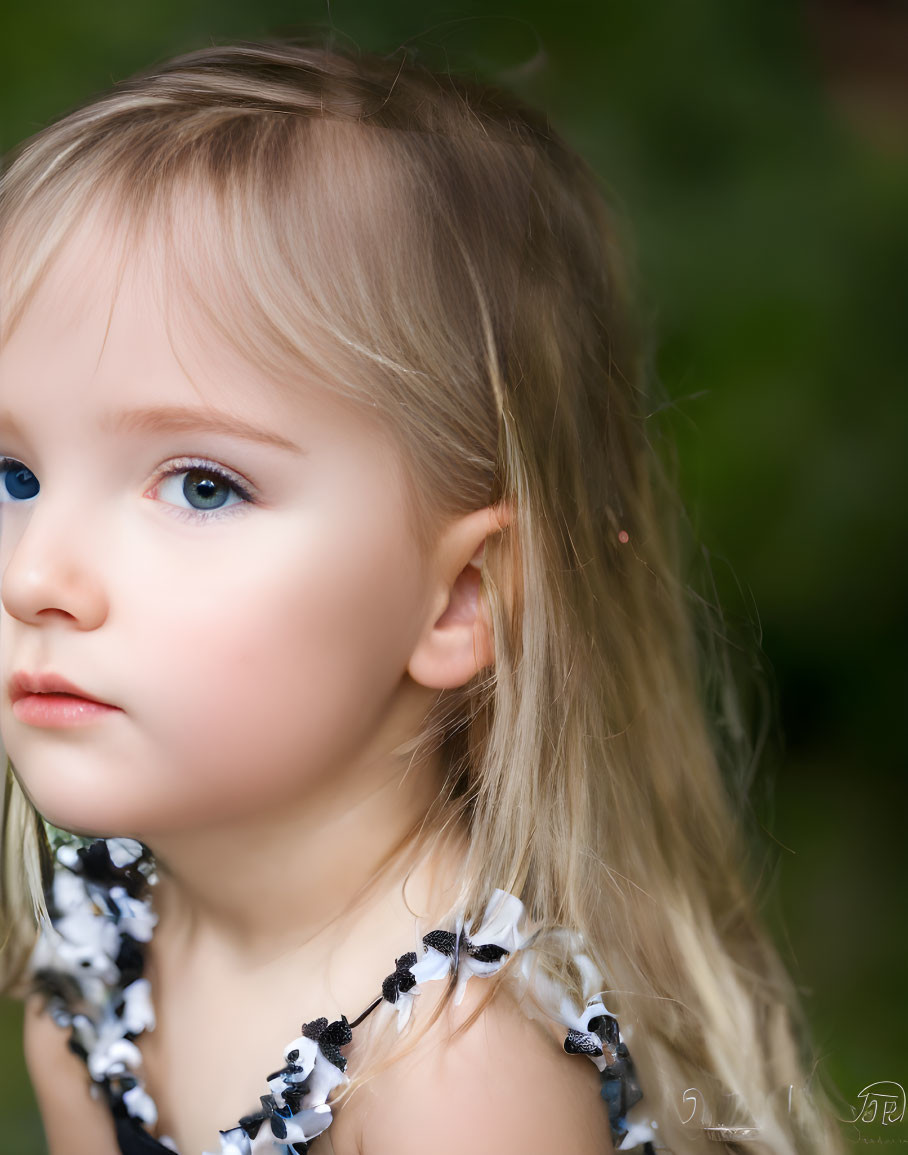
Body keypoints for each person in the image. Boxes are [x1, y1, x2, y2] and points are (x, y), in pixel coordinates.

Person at [0, 40, 844, 1155]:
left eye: (203, 485)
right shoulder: (97, 967)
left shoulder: (455, 1073)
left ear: (459, 600)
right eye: (11, 475)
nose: (34, 577)